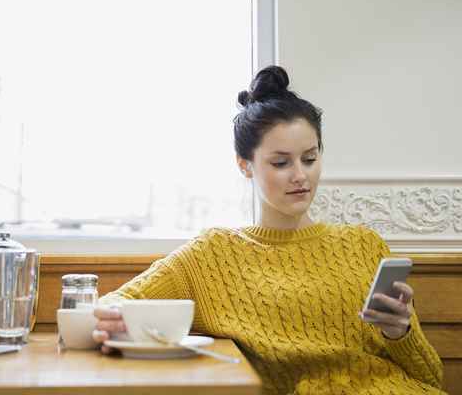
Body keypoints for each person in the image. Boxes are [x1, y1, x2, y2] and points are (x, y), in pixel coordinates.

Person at [91, 66, 445, 394]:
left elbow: (431, 377)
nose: (300, 175)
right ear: (245, 166)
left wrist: (400, 332)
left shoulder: (364, 245)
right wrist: (128, 326)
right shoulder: (213, 255)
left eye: (310, 158)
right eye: (280, 162)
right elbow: (113, 304)